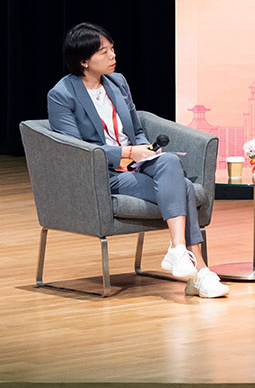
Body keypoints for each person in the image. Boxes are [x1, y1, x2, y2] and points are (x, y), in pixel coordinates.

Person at [47, 23, 229, 298]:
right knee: (183, 187)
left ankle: (179, 250)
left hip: (138, 161)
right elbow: (77, 149)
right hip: (105, 172)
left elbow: (136, 128)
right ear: (84, 61)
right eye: (104, 52)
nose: (113, 55)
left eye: (112, 48)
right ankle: (199, 271)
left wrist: (145, 149)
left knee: (168, 161)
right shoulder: (62, 94)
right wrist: (129, 152)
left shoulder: (117, 82)